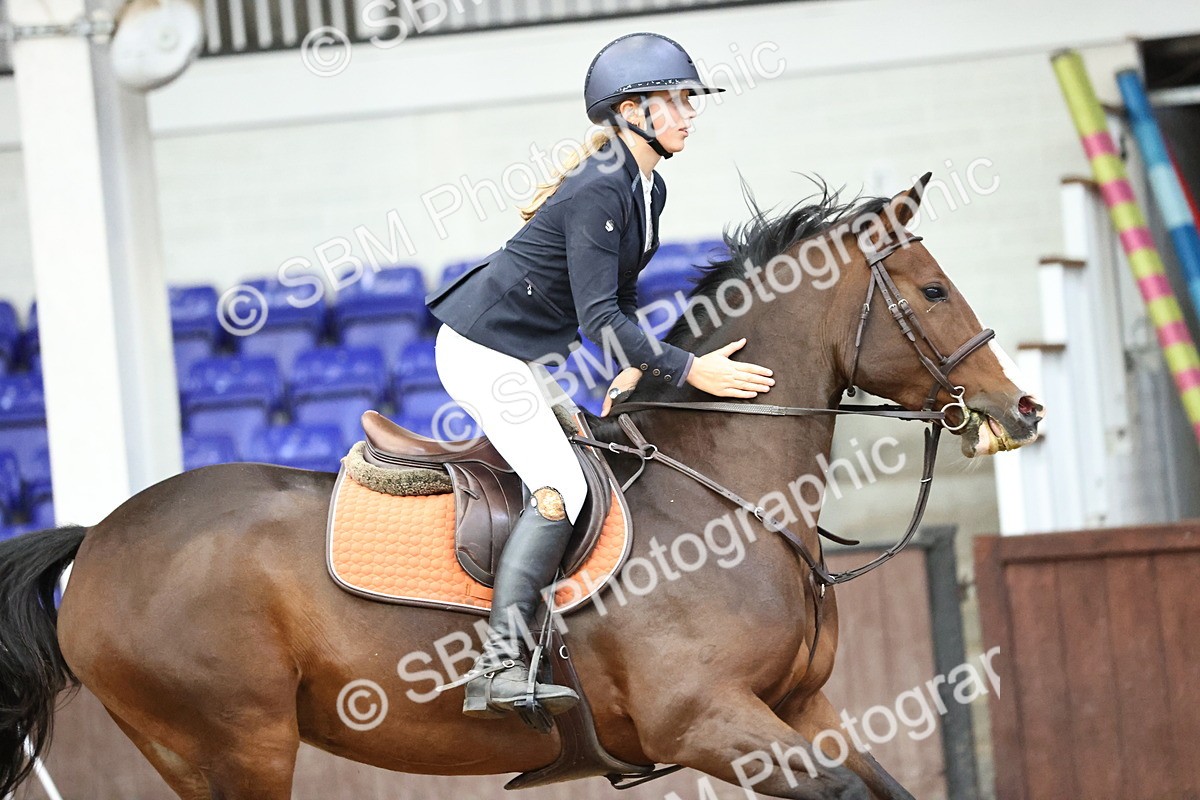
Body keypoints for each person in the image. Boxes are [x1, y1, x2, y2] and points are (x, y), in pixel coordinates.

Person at [425, 31, 776, 720]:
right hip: (479, 351)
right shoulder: (600, 189)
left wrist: (634, 374)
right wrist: (685, 369)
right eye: (674, 102)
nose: (688, 114)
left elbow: (620, 301)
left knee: (590, 465)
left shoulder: (648, 187)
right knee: (558, 488)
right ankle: (496, 666)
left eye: (688, 102)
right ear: (630, 111)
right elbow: (596, 318)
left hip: (516, 353)